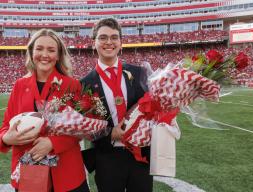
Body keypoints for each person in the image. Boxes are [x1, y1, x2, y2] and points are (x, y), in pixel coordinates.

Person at [0, 29, 90, 192]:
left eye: (51, 50)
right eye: (39, 48)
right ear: (31, 51)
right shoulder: (20, 85)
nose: (45, 54)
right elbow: (6, 126)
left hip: (67, 174)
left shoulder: (72, 85)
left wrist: (53, 143)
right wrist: (6, 138)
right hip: (29, 174)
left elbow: (81, 129)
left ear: (58, 55)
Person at [80, 18, 153, 192]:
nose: (109, 42)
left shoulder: (140, 73)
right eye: (103, 37)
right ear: (94, 43)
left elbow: (152, 109)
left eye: (114, 37)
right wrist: (109, 133)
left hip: (140, 155)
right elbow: (83, 125)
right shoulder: (84, 84)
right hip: (107, 158)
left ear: (121, 43)